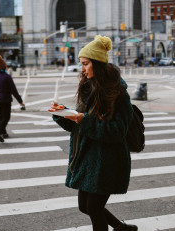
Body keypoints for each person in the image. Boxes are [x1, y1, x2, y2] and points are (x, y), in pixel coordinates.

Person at [51, 35, 137, 231]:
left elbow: (117, 131)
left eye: (85, 64)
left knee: (93, 207)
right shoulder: (88, 88)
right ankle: (121, 228)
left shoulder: (118, 94)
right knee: (85, 206)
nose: (82, 69)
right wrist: (64, 114)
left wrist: (83, 119)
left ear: (97, 64)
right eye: (81, 64)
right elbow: (80, 125)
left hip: (108, 161)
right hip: (89, 159)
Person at [0, 54, 24, 142]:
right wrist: (20, 101)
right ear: (4, 67)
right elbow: (13, 90)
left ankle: (4, 133)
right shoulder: (7, 77)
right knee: (6, 117)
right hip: (5, 99)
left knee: (1, 116)